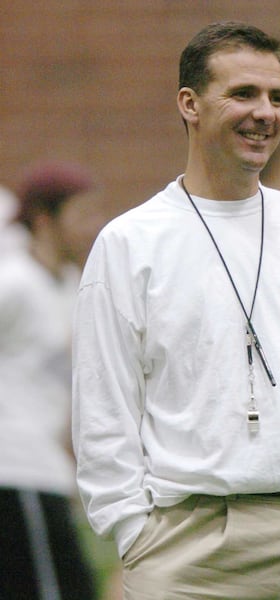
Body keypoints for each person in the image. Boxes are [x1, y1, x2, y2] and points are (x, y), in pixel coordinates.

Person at [72, 21, 280, 600]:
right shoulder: (130, 243)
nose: (265, 112)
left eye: (277, 97)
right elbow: (104, 408)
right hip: (195, 553)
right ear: (190, 105)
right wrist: (131, 534)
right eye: (243, 94)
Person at [0, 161, 101, 600]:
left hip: (49, 474)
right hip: (17, 473)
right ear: (44, 220)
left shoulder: (71, 285)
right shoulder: (13, 285)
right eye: (80, 215)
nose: (92, 227)